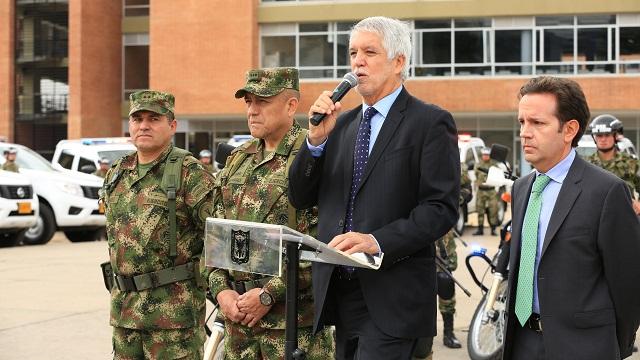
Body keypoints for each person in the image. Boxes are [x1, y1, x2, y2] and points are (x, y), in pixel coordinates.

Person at [288, 16, 460, 359]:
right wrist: (315, 142)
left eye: (369, 52)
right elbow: (300, 196)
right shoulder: (341, 125)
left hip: (393, 297)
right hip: (340, 293)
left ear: (399, 62)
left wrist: (377, 241)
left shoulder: (429, 122)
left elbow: (440, 209)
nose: (357, 61)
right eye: (353, 52)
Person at [502, 76, 640, 360]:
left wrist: (612, 347)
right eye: (521, 122)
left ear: (569, 130)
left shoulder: (607, 191)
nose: (524, 133)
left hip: (583, 347)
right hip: (522, 343)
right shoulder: (521, 188)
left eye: (537, 123)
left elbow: (628, 284)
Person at [205, 68, 334, 359]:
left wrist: (268, 294)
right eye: (248, 102)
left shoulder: (313, 156)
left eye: (262, 102)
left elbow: (325, 242)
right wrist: (221, 292)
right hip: (239, 327)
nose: (252, 111)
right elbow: (215, 236)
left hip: (292, 328)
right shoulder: (238, 159)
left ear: (291, 106)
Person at [100, 90, 215, 359]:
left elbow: (218, 236)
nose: (144, 126)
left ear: (172, 126)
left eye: (154, 118)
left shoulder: (189, 172)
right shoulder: (117, 172)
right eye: (137, 119)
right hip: (124, 314)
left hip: (172, 319)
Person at [586, 114, 640, 215]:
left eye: (607, 135)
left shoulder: (630, 163)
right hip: (595, 218)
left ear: (615, 136)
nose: (603, 139)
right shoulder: (587, 164)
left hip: (625, 217)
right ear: (594, 138)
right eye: (599, 135)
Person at [472, 147, 499, 236]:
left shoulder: (494, 164)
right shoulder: (478, 164)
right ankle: (480, 229)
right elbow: (476, 174)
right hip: (481, 190)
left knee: (493, 210)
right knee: (480, 210)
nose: (485, 156)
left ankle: (493, 229)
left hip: (491, 191)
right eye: (484, 155)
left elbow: (497, 174)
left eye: (487, 155)